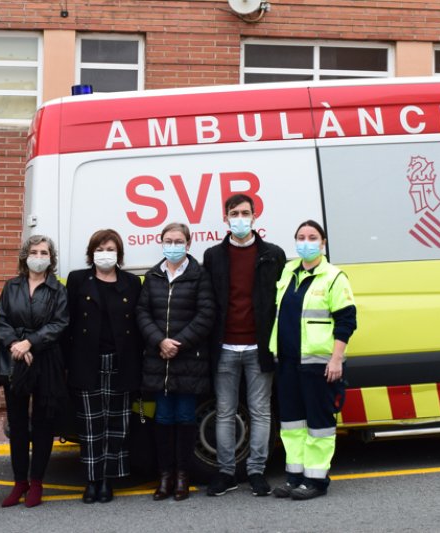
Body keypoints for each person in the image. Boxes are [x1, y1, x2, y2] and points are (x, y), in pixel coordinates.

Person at [203, 194, 286, 497]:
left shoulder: (273, 254)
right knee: (224, 411)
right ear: (225, 218)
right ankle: (226, 473)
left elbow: (280, 303)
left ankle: (256, 471)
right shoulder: (213, 256)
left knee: (260, 411)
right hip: (224, 347)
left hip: (259, 347)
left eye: (245, 213)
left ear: (254, 216)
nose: (240, 218)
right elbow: (210, 302)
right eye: (234, 213)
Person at [269, 220, 357, 501]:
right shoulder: (288, 272)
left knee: (318, 424)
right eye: (300, 237)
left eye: (312, 237)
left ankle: (316, 481)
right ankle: (295, 477)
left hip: (318, 365)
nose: (305, 242)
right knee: (292, 425)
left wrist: (336, 359)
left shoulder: (333, 277)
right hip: (287, 363)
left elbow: (346, 321)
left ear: (323, 243)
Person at [137, 222, 215, 502]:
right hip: (159, 361)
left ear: (188, 243)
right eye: (168, 240)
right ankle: (165, 476)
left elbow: (206, 315)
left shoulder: (199, 275)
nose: (173, 245)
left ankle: (183, 476)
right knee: (162, 420)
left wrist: (177, 343)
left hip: (187, 361)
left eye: (178, 240)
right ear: (161, 242)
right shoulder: (153, 276)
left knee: (184, 419)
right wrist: (159, 340)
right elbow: (142, 312)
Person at [65, 229, 143, 504]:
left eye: (110, 248)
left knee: (116, 425)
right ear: (91, 253)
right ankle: (92, 480)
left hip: (122, 363)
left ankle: (108, 480)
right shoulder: (77, 280)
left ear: (119, 253)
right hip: (86, 362)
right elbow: (68, 324)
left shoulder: (132, 283)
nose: (105, 253)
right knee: (90, 426)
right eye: (100, 248)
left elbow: (138, 325)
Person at [0, 235, 69, 508]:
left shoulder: (58, 289)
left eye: (44, 252)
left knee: (44, 422)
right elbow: (0, 320)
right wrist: (15, 343)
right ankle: (19, 482)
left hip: (46, 360)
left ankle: (36, 482)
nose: (39, 256)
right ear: (25, 256)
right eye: (34, 251)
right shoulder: (11, 287)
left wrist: (30, 342)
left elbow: (60, 323)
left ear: (51, 257)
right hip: (16, 359)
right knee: (18, 423)